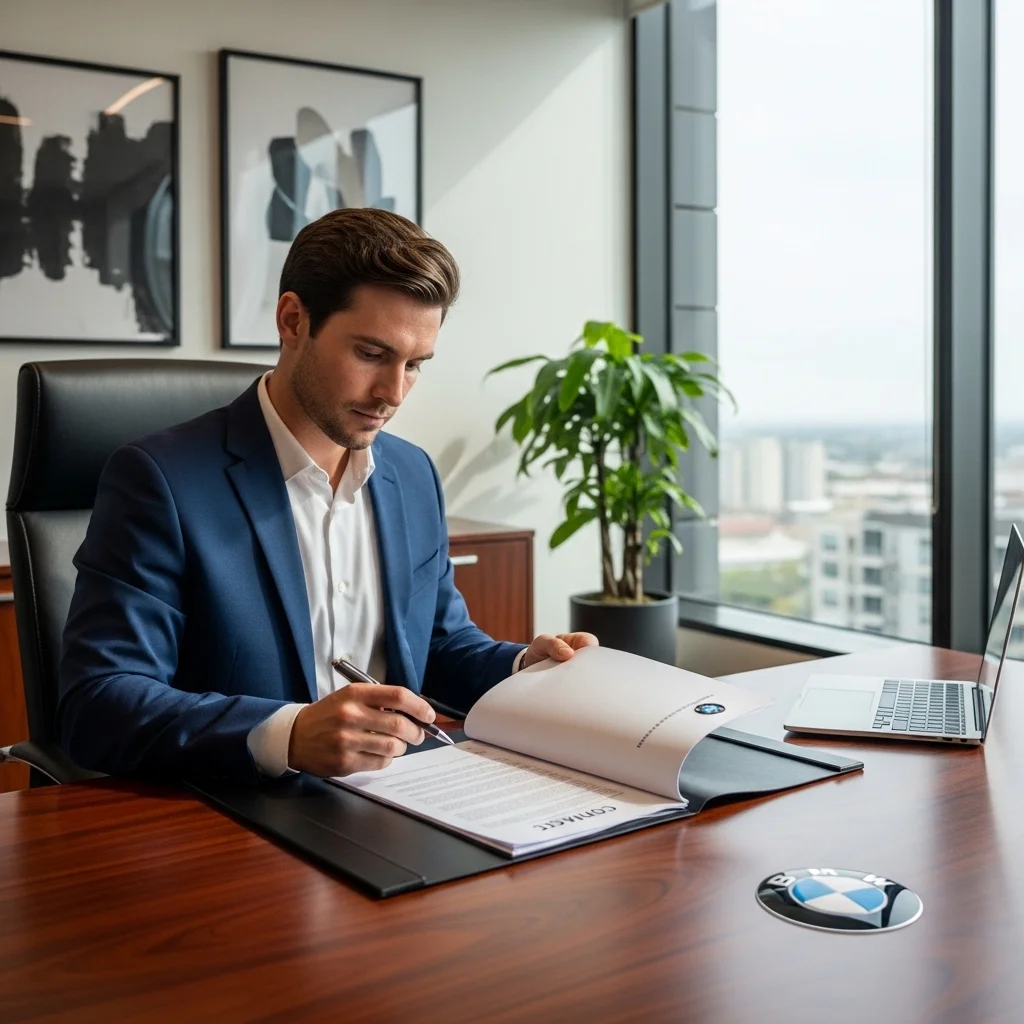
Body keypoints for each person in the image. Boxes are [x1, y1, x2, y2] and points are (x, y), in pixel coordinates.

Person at [58, 208, 597, 783]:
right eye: (371, 354)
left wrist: (524, 668)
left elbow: (437, 644)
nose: (393, 393)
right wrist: (287, 735)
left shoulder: (412, 475)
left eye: (415, 365)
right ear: (293, 320)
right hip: (239, 816)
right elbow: (98, 703)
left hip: (403, 800)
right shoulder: (160, 480)